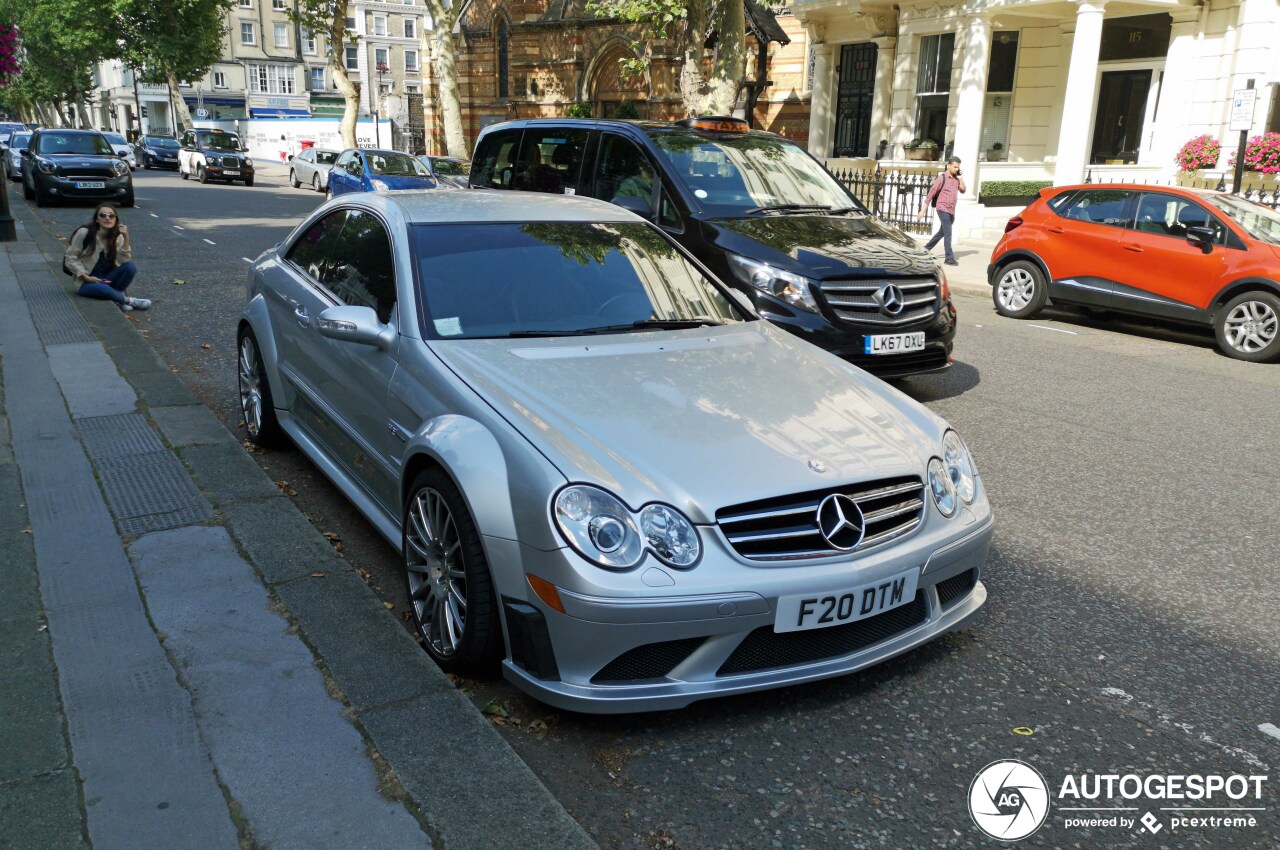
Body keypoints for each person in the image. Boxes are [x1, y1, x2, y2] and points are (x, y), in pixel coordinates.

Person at [66, 204, 151, 312]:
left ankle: (119, 298)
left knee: (130, 267)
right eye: (103, 215)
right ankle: (129, 300)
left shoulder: (118, 237)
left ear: (115, 219)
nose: (107, 218)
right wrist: (86, 277)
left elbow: (124, 261)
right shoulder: (84, 233)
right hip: (86, 282)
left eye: (111, 216)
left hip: (107, 278)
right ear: (97, 219)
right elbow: (71, 257)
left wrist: (126, 237)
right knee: (103, 288)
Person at [917, 155, 965, 266]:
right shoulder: (942, 178)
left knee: (942, 232)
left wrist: (961, 179)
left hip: (951, 210)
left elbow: (963, 190)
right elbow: (931, 194)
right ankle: (949, 258)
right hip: (942, 208)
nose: (956, 169)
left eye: (958, 167)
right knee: (948, 232)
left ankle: (925, 249)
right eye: (955, 167)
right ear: (949, 165)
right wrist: (922, 211)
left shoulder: (956, 179)